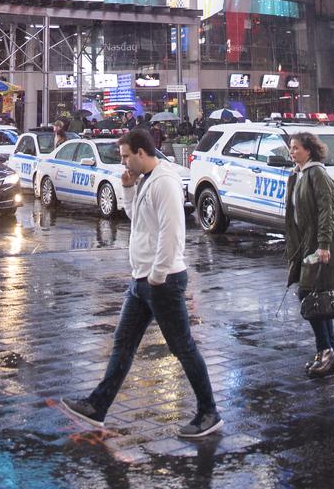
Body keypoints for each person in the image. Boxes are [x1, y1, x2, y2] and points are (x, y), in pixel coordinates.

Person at [59, 128, 222, 438]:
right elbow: (139, 221)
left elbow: (172, 233)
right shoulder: (146, 180)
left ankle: (209, 411)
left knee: (183, 347)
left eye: (125, 157)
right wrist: (129, 190)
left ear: (141, 153)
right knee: (123, 342)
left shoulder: (166, 182)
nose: (123, 163)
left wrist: (158, 275)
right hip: (142, 280)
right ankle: (98, 406)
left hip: (162, 280)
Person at [285, 131, 334, 379]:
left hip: (319, 243)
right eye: (290, 148)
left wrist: (323, 245)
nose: (292, 152)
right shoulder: (298, 175)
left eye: (296, 148)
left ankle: (325, 350)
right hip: (305, 243)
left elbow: (326, 210)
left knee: (307, 293)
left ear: (309, 150)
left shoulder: (317, 173)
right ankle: (329, 353)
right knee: (319, 296)